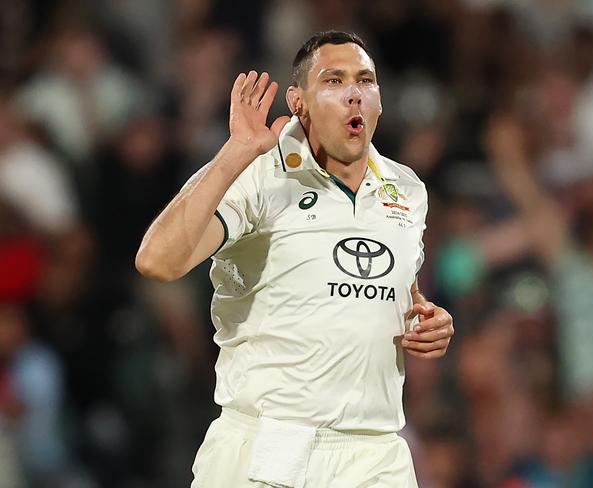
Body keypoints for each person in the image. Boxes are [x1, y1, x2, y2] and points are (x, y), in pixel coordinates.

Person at [136, 31, 454, 488]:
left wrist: (429, 321)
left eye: (366, 80)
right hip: (268, 446)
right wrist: (235, 153)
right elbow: (158, 261)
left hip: (375, 452)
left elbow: (399, 290)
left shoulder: (407, 190)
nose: (353, 94)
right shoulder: (260, 176)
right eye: (333, 80)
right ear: (298, 101)